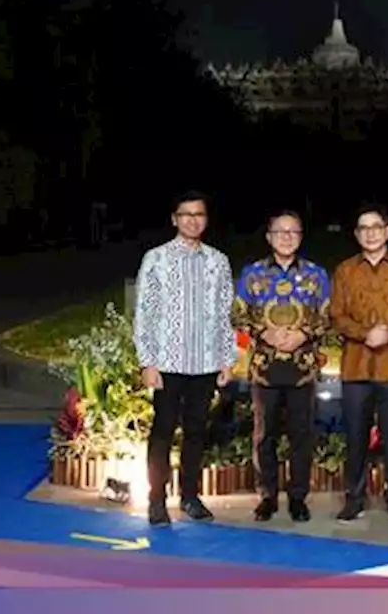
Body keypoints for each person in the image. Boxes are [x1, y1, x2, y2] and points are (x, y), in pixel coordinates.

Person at [132, 191, 238, 527]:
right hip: (168, 362)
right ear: (174, 219)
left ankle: (190, 496)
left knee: (196, 431)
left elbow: (225, 314)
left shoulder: (217, 261)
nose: (193, 219)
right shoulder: (157, 259)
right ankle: (156, 500)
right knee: (163, 430)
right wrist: (147, 361)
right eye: (186, 214)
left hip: (205, 363)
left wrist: (226, 359)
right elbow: (144, 312)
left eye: (199, 214)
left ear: (206, 220)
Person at [232, 210, 331, 523]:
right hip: (265, 368)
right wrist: (265, 332)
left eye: (293, 232)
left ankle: (299, 497)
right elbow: (238, 315)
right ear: (269, 236)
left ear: (300, 237)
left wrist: (303, 333)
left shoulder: (316, 275)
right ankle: (267, 496)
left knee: (302, 435)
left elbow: (328, 315)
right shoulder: (252, 274)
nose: (287, 237)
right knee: (265, 435)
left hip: (303, 368)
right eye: (280, 232)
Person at [329, 204, 388, 526]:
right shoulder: (344, 271)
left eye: (376, 226)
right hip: (356, 365)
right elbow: (336, 315)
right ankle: (354, 498)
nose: (370, 233)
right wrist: (365, 334)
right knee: (355, 436)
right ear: (356, 234)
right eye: (363, 228)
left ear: (387, 231)